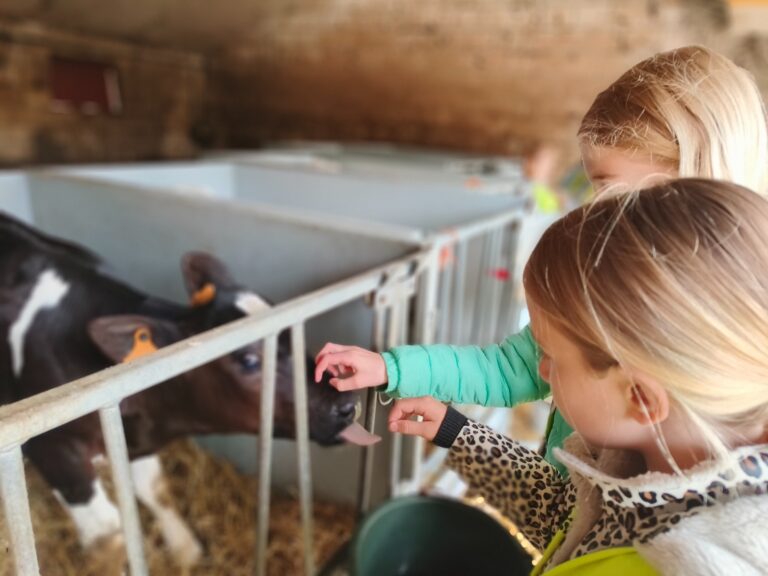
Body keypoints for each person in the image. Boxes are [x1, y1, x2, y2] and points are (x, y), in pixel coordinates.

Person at [314, 45, 768, 476]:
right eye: (596, 191)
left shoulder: (728, 379)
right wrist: (395, 370)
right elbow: (516, 373)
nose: (596, 215)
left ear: (703, 190)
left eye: (619, 198)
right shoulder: (595, 286)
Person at [388, 179, 768, 574]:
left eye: (551, 356)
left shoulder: (690, 565)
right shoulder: (648, 457)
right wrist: (457, 432)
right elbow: (569, 520)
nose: (542, 370)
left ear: (639, 396)